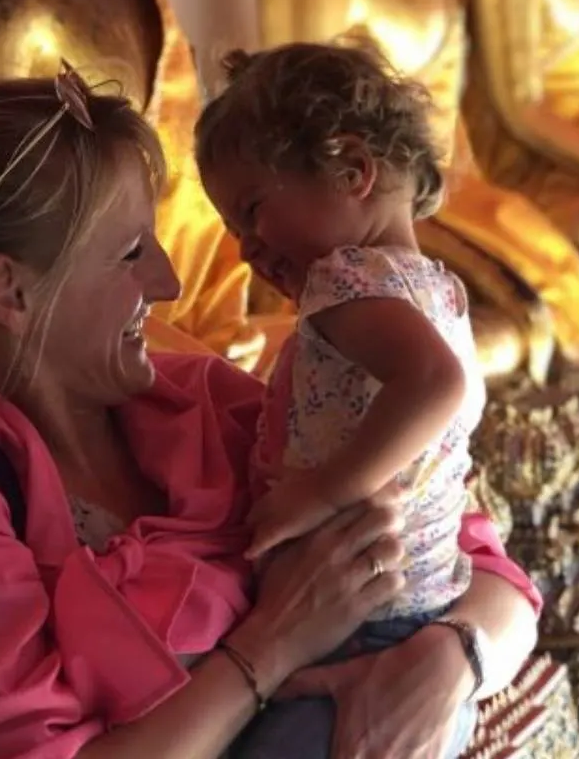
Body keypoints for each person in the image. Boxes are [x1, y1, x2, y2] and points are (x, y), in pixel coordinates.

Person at [0, 66, 539, 758]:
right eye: (131, 252)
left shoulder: (201, 400)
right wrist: (269, 645)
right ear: (12, 293)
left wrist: (451, 662)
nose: (168, 281)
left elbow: (485, 563)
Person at [194, 42, 484, 759]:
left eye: (253, 210)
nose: (244, 251)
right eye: (231, 229)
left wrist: (322, 491)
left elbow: (437, 385)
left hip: (362, 614)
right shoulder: (439, 286)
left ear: (352, 170)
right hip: (422, 609)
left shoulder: (344, 283)